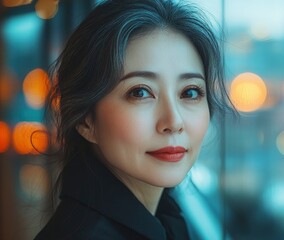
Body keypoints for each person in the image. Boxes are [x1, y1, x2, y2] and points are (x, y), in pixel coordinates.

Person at [35, 0, 236, 239]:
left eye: (190, 92)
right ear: (86, 120)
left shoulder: (163, 220)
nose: (173, 121)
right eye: (140, 92)